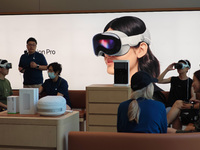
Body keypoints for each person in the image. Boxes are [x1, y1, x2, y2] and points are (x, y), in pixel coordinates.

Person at [92, 16, 164, 102]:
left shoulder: (153, 98)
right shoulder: (111, 94)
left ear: (141, 50)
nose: (106, 54)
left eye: (113, 45)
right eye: (104, 46)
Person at [158, 59, 196, 129]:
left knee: (176, 115)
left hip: (182, 107)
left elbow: (193, 96)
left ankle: (163, 129)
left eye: (181, 66)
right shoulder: (173, 79)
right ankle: (176, 136)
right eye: (178, 66)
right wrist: (167, 69)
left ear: (187, 68)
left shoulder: (190, 82)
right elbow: (159, 80)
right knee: (174, 116)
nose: (179, 68)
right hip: (171, 107)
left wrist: (189, 103)